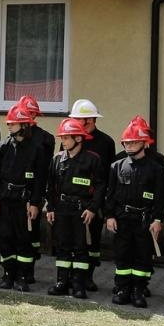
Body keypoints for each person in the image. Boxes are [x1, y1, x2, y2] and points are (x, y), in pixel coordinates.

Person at [104, 117, 164, 308]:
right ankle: (123, 290)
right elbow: (110, 194)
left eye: (133, 142)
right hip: (122, 219)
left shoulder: (156, 168)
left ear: (144, 143)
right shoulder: (117, 166)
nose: (129, 146)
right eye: (126, 142)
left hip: (144, 220)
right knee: (122, 255)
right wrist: (109, 216)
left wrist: (157, 219)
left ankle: (139, 291)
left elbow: (160, 197)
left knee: (142, 256)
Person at [0, 102, 49, 291]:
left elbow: (40, 179)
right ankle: (8, 275)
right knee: (5, 237)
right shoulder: (2, 146)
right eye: (8, 124)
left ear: (24, 125)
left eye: (12, 124)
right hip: (6, 198)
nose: (9, 126)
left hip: (25, 201)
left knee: (24, 238)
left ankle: (23, 277)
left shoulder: (36, 149)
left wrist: (35, 203)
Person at [43, 116, 104, 297]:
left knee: (80, 247)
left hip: (82, 210)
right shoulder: (57, 159)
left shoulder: (92, 160)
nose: (63, 141)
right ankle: (62, 282)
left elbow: (101, 186)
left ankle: (78, 285)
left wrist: (92, 208)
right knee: (62, 246)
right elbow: (50, 186)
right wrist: (51, 208)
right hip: (62, 209)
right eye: (62, 138)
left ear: (78, 138)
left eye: (66, 138)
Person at [68, 99, 113, 291]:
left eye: (82, 120)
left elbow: (108, 177)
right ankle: (71, 276)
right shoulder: (70, 137)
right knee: (71, 241)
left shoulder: (105, 142)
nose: (79, 124)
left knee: (92, 242)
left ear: (92, 120)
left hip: (93, 202)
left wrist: (98, 205)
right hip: (71, 201)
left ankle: (88, 277)